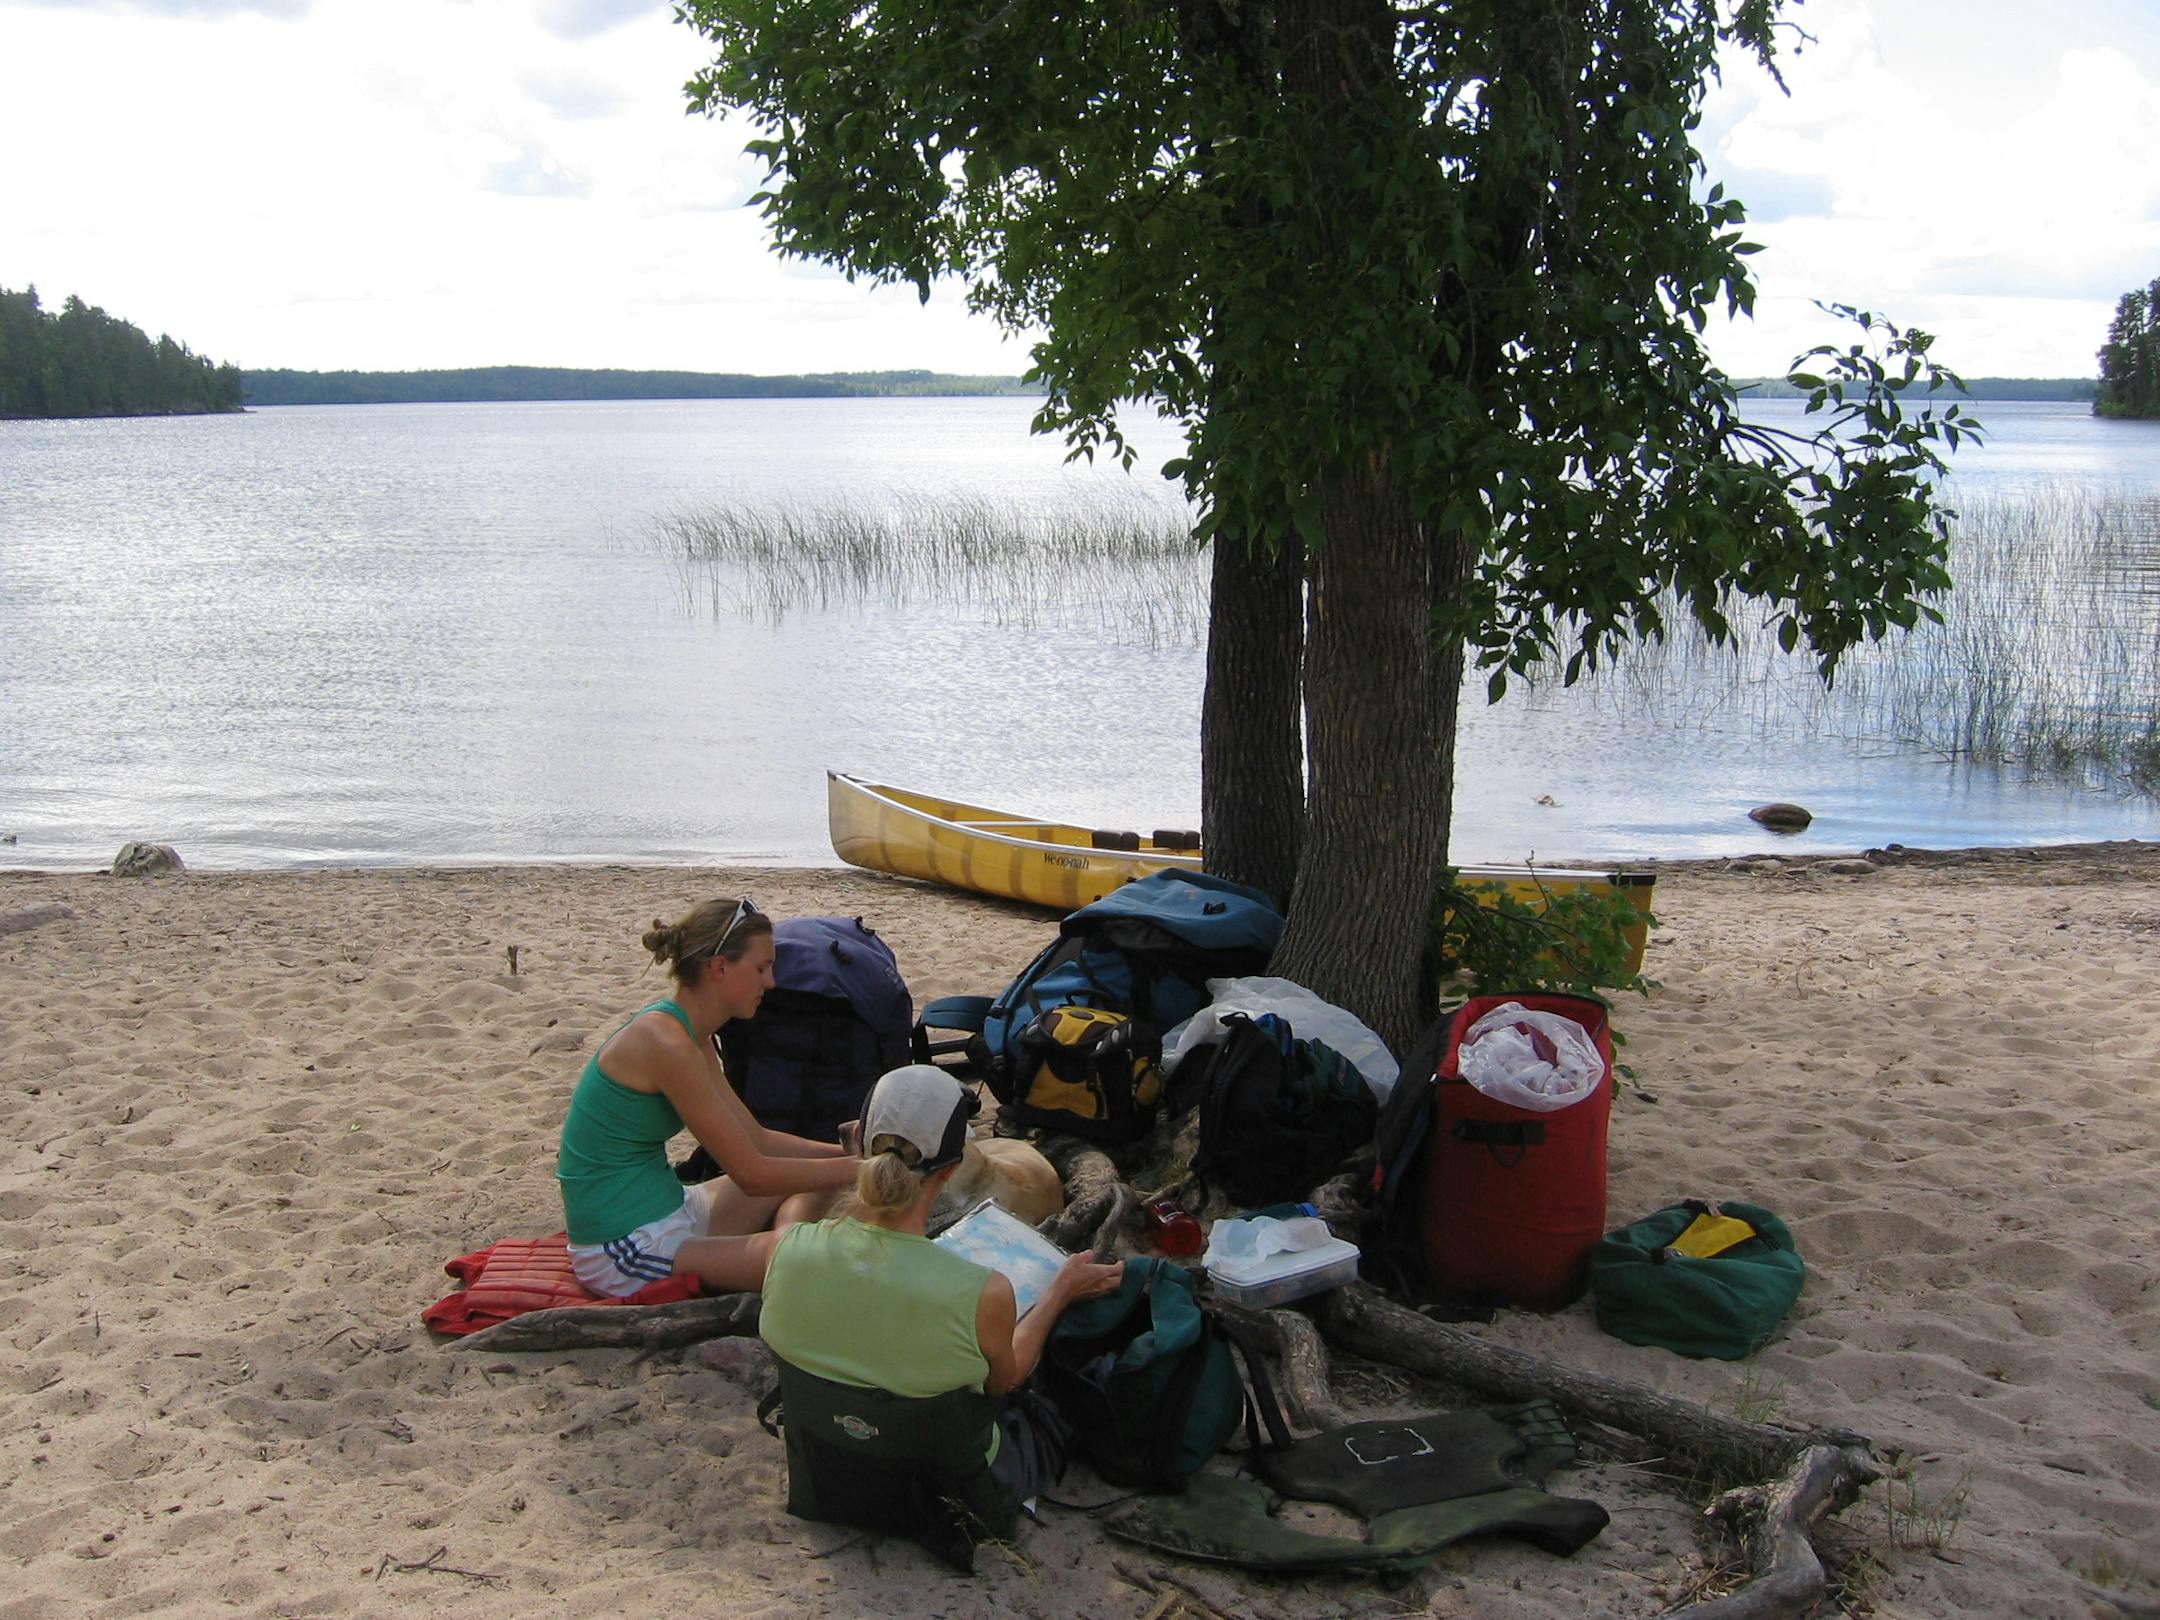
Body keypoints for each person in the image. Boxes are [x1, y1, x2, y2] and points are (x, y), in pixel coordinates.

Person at [725, 1064, 1124, 1565]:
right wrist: (1060, 1292)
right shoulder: (982, 1290)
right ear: (953, 1168)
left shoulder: (790, 1249)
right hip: (952, 1495)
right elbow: (1008, 1381)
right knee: (1060, 1378)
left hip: (829, 1474)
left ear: (861, 1146)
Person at [556, 895, 859, 1297]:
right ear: (719, 967)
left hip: (672, 1209)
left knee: (818, 1179)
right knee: (816, 1258)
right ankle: (788, 1247)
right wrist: (870, 1171)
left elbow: (758, 1138)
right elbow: (751, 1175)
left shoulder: (688, 1033)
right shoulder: (666, 1043)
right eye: (761, 968)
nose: (770, 982)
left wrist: (850, 1156)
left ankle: (786, 1241)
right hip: (624, 1247)